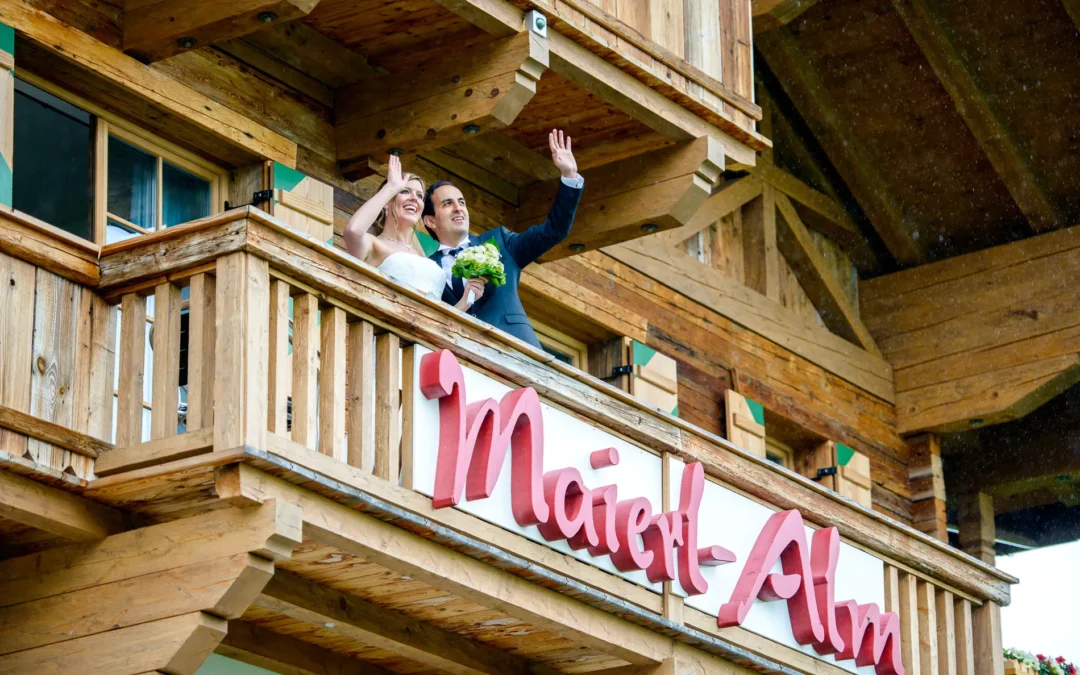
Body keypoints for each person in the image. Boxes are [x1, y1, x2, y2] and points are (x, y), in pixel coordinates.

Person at [424, 129, 582, 348]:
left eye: (461, 202)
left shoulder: (499, 242)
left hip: (518, 351)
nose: (458, 209)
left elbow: (554, 230)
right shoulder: (427, 267)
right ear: (430, 221)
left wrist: (570, 177)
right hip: (465, 362)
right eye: (447, 203)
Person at [343, 155, 474, 310]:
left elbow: (439, 318)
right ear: (387, 202)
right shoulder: (374, 244)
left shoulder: (422, 255)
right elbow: (353, 231)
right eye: (405, 191)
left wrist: (466, 300)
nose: (414, 198)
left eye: (419, 196)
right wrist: (391, 186)